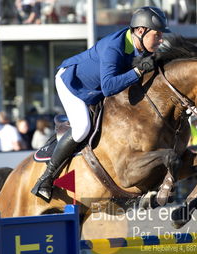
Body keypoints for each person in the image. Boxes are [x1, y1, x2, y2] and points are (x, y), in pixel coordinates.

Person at [31, 6, 171, 202]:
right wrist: (138, 72)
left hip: (94, 87)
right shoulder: (114, 47)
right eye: (157, 35)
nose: (161, 39)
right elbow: (108, 87)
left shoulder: (141, 46)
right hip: (72, 83)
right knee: (82, 128)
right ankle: (46, 178)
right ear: (141, 31)